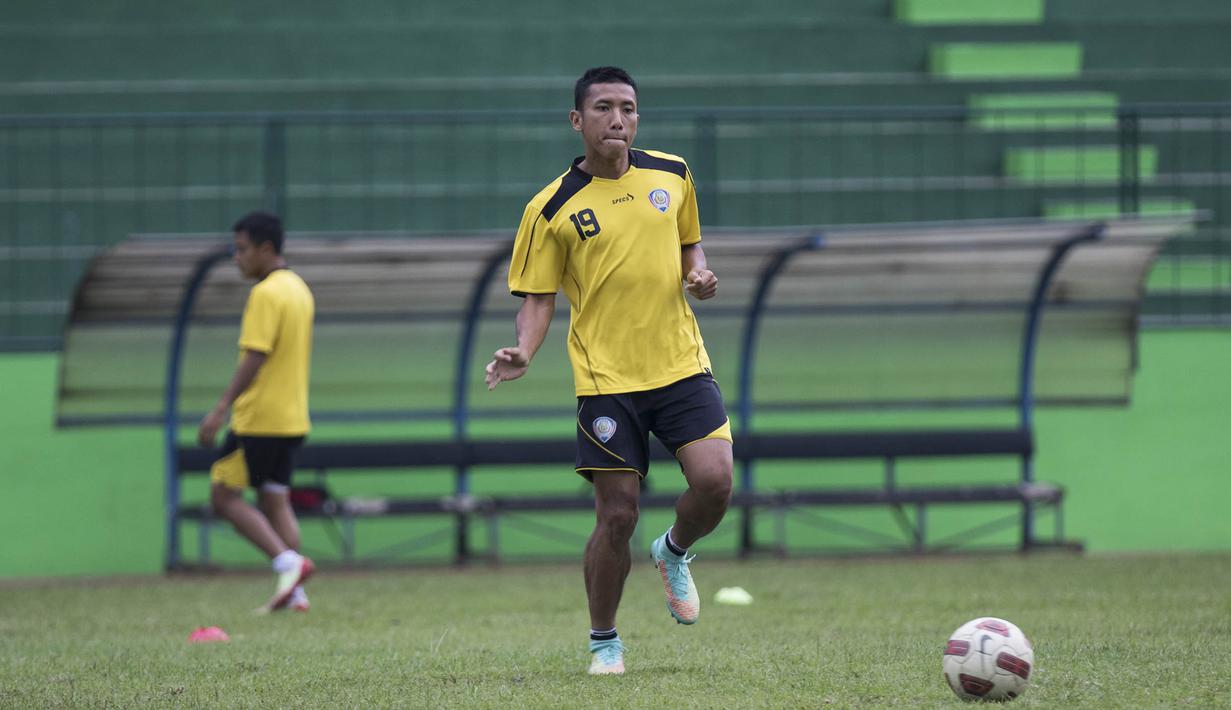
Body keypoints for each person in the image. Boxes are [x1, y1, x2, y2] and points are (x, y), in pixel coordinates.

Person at [485, 66, 733, 675]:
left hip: (680, 364)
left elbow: (689, 242)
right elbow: (538, 299)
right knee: (617, 515)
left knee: (716, 482)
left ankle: (673, 550)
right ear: (578, 120)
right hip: (607, 382)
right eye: (603, 108)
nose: (617, 118)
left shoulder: (672, 174)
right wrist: (524, 350)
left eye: (627, 107)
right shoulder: (549, 208)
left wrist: (698, 273)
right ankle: (605, 642)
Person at [197, 211, 316, 613]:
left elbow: (255, 355)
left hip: (259, 419)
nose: (237, 258)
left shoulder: (265, 293)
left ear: (266, 248)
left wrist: (220, 408)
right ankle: (295, 593)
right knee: (275, 499)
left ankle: (287, 564)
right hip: (293, 417)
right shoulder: (299, 289)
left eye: (242, 249)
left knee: (222, 496)